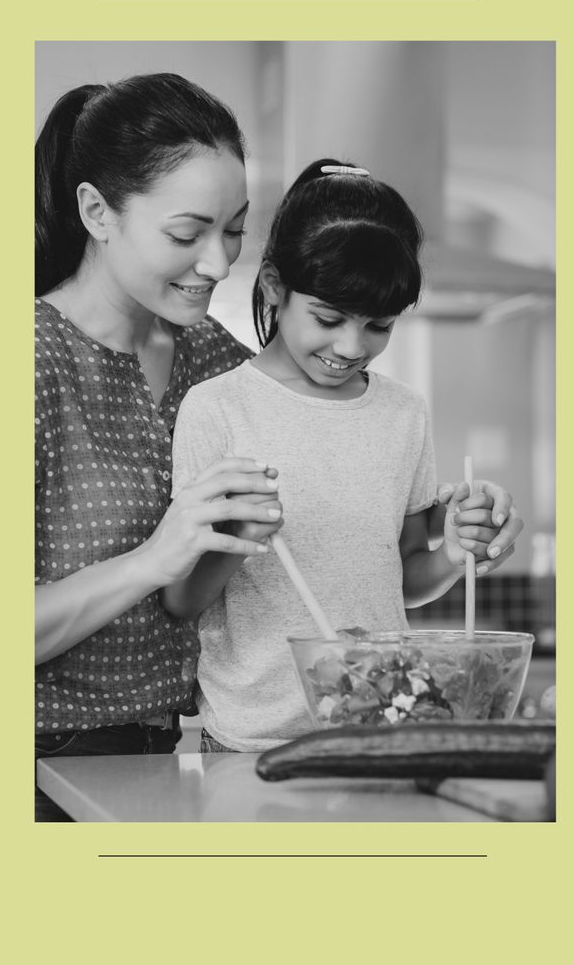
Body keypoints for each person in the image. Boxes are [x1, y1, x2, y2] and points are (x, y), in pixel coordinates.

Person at [164, 159, 524, 752]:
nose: (351, 346)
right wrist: (240, 537)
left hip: (376, 730)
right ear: (274, 285)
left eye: (378, 325)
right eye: (328, 319)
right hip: (253, 742)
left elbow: (402, 577)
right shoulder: (217, 409)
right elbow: (180, 601)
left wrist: (454, 554)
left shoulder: (403, 413)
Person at [34, 73, 292, 819]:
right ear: (97, 212)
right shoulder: (28, 359)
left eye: (234, 230)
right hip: (38, 768)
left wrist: (438, 533)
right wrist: (154, 558)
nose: (217, 263)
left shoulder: (212, 354)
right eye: (187, 234)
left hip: (166, 757)